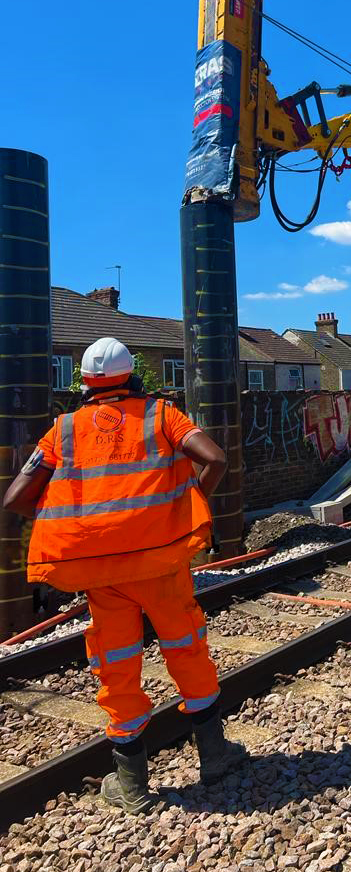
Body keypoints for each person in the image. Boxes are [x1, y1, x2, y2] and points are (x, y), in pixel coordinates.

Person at [3, 337, 247, 814]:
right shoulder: (162, 416)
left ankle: (132, 787)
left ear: (86, 383)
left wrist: (68, 521)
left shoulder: (63, 430)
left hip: (100, 571)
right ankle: (215, 757)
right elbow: (215, 458)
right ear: (132, 374)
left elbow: (15, 498)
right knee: (185, 647)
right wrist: (188, 505)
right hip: (160, 562)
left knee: (116, 664)